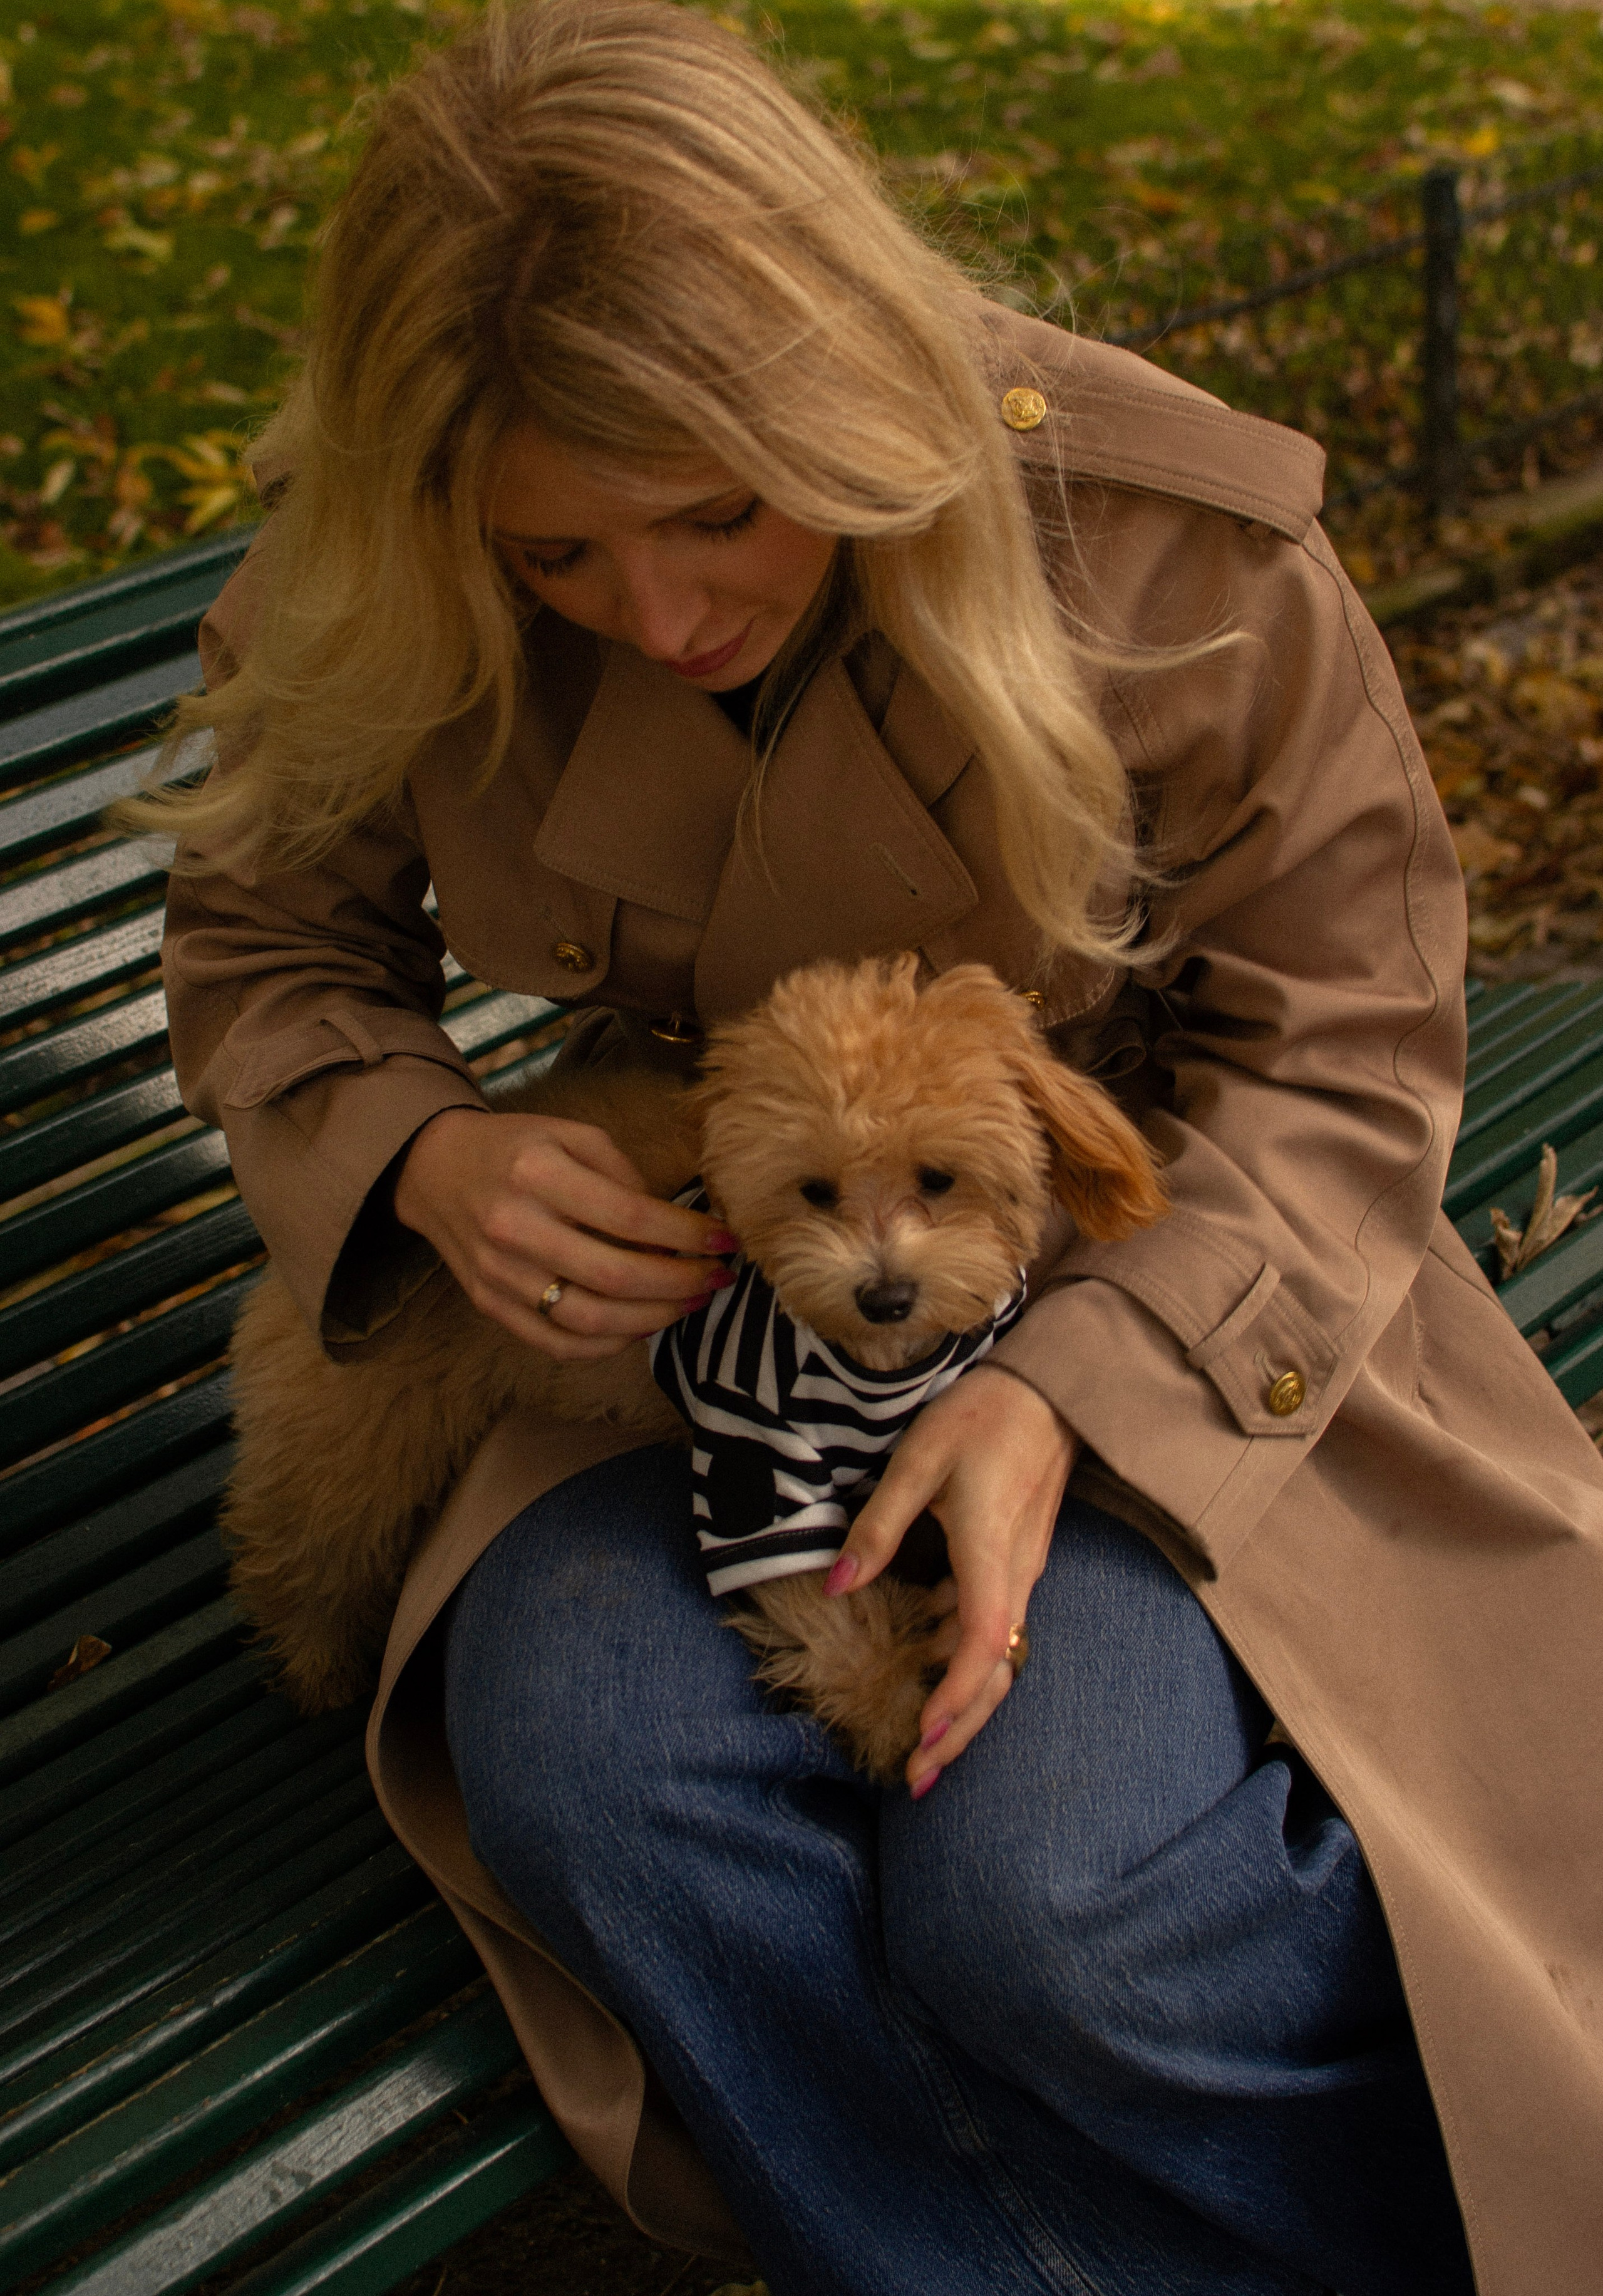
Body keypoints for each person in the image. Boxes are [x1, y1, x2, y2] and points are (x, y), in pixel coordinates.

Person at [134, 4, 1603, 2290]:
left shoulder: (1141, 531)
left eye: (723, 508)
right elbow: (264, 938)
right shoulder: (393, 563)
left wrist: (1057, 1391)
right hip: (679, 1337)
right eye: (562, 560)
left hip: (1160, 1291)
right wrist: (426, 1155)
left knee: (1067, 1902)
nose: (667, 611)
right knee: (604, 1785)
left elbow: (1354, 1038)